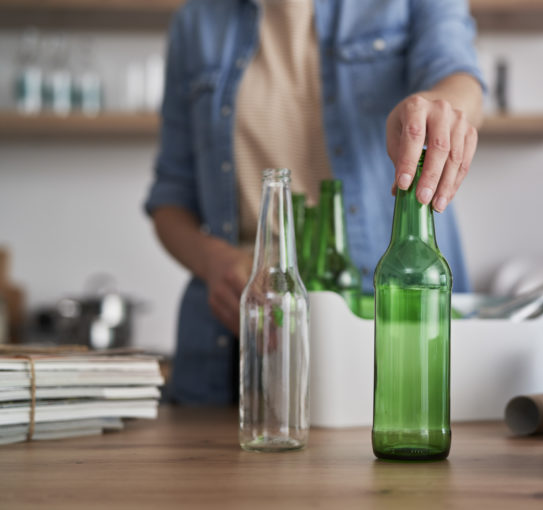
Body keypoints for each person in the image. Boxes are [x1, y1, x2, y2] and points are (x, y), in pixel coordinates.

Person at [145, 0, 485, 404]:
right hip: (239, 347)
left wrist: (437, 111)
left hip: (387, 333)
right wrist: (214, 261)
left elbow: (458, 75)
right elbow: (170, 198)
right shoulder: (196, 22)